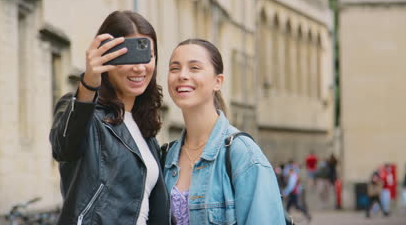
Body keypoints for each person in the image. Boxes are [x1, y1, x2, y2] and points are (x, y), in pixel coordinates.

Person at [49, 11, 169, 225]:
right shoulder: (83, 112)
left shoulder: (145, 128)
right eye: (128, 56)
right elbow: (63, 146)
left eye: (146, 56)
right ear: (105, 58)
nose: (139, 67)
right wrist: (88, 84)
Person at [162, 39, 287, 224]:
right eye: (175, 68)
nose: (182, 75)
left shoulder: (243, 155)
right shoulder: (165, 156)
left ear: (217, 81)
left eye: (194, 68)